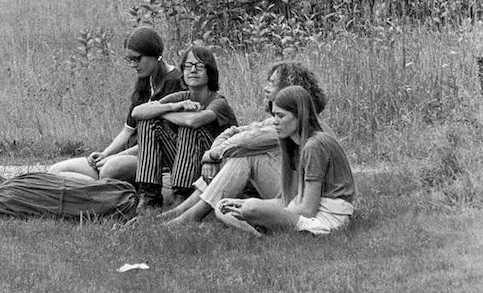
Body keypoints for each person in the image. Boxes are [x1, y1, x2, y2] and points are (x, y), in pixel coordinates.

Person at [160, 61, 327, 227]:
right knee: (235, 152)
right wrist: (214, 153)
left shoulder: (293, 122)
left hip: (300, 194)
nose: (265, 88)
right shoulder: (279, 120)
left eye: (272, 83)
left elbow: (244, 142)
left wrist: (213, 155)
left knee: (243, 156)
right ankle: (184, 210)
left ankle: (192, 214)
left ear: (288, 90)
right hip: (290, 185)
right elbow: (233, 131)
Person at [216, 84, 356, 236]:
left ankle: (263, 230)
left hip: (328, 217)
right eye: (274, 115)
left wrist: (261, 211)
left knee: (251, 209)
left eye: (281, 116)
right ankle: (261, 233)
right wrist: (242, 204)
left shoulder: (314, 145)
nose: (275, 121)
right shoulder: (294, 144)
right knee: (221, 208)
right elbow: (289, 199)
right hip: (302, 210)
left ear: (299, 116)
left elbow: (308, 210)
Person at [48, 26, 183, 183]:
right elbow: (127, 130)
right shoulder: (145, 80)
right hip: (125, 155)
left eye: (137, 59)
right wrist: (105, 154)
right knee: (56, 171)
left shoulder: (174, 83)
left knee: (110, 169)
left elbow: (160, 140)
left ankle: (100, 190)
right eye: (129, 60)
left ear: (154, 54)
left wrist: (115, 158)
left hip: (152, 158)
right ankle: (99, 190)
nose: (133, 65)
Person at [132, 42, 237, 211]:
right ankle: (149, 196)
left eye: (199, 66)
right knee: (148, 122)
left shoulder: (219, 102)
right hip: (184, 163)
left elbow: (194, 121)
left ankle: (182, 195)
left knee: (189, 126)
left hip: (214, 166)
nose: (193, 70)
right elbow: (137, 112)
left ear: (210, 72)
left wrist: (160, 112)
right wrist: (172, 107)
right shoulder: (181, 97)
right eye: (188, 66)